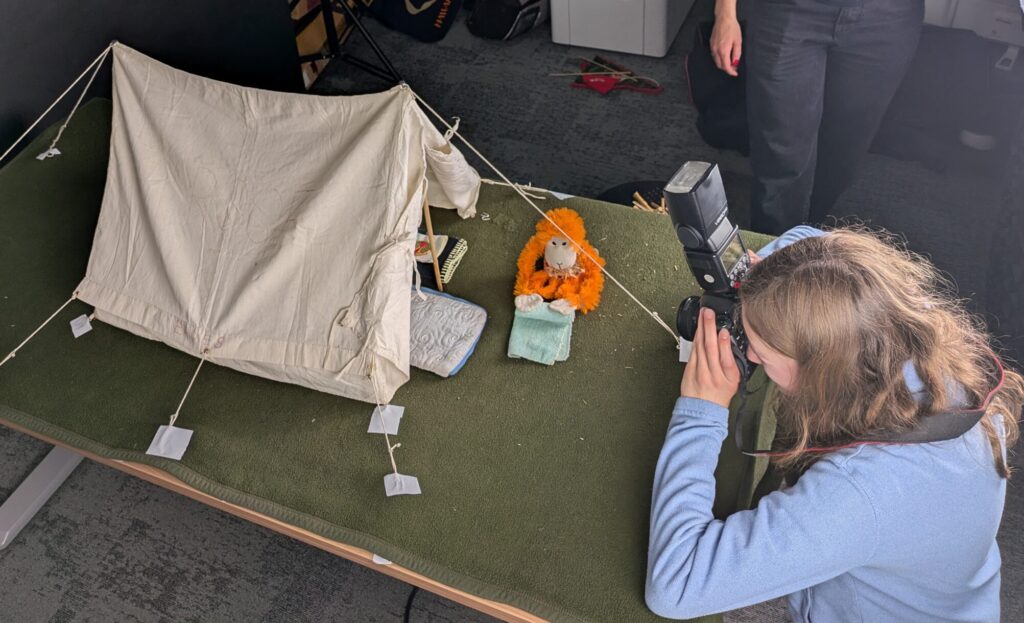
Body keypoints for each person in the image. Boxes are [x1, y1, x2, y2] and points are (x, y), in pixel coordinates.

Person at [645, 226, 1023, 621]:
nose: (751, 356)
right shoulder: (915, 340)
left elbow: (677, 585)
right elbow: (810, 239)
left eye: (762, 353)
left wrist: (701, 409)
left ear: (817, 375)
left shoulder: (859, 493)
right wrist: (766, 285)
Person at [710, 0, 924, 234]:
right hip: (787, 12)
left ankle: (808, 233)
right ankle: (775, 257)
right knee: (780, 157)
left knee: (841, 154)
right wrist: (725, 13)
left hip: (886, 17)